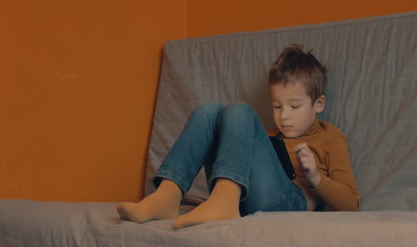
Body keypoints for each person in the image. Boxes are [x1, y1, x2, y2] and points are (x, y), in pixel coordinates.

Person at [117, 44, 359, 229]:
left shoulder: (331, 138)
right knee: (209, 112)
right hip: (246, 202)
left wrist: (316, 178)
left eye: (294, 106)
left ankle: (225, 202)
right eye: (276, 106)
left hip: (289, 204)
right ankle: (168, 195)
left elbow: (351, 203)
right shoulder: (268, 137)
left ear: (319, 104)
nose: (283, 116)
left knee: (239, 111)